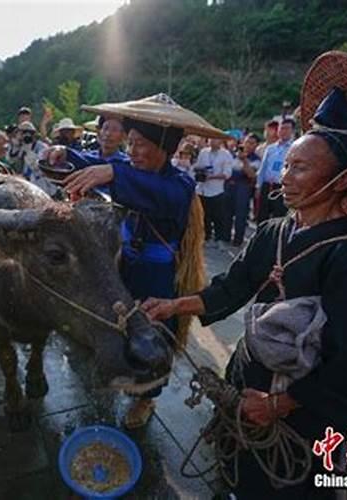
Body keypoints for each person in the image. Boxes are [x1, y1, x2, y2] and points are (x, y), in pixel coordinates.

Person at [142, 52, 347, 500]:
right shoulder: (273, 230)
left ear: (345, 177)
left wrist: (279, 404)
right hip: (246, 383)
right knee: (233, 473)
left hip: (301, 414)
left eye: (302, 168)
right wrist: (176, 305)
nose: (286, 178)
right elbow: (234, 286)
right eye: (287, 165)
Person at [55, 93, 226, 428]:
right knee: (117, 326)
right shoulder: (128, 169)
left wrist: (112, 174)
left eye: (140, 144)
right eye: (129, 143)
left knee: (153, 334)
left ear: (166, 149)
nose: (131, 152)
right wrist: (65, 154)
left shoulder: (180, 185)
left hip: (158, 276)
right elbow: (98, 165)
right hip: (124, 267)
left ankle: (146, 397)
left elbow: (144, 188)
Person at [194, 138, 233, 246]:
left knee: (218, 216)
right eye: (210, 139)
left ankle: (219, 238)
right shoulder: (204, 152)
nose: (212, 141)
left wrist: (211, 177)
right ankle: (206, 237)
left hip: (217, 190)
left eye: (215, 139)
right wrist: (200, 172)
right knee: (204, 215)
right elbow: (198, 166)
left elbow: (227, 174)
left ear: (220, 141)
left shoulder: (226, 154)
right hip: (202, 189)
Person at [224, 133, 260, 246]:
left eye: (251, 143)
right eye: (247, 142)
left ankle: (238, 240)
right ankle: (225, 236)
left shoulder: (256, 159)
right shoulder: (232, 155)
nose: (248, 145)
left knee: (241, 214)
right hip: (229, 185)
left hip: (243, 187)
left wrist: (244, 161)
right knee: (226, 213)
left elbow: (251, 175)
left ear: (256, 145)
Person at [256, 118, 295, 222]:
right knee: (262, 215)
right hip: (267, 185)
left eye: (287, 128)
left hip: (282, 188)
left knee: (279, 216)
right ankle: (261, 237)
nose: (283, 131)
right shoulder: (270, 148)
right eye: (281, 128)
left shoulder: (294, 148)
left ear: (292, 131)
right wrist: (258, 186)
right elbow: (263, 168)